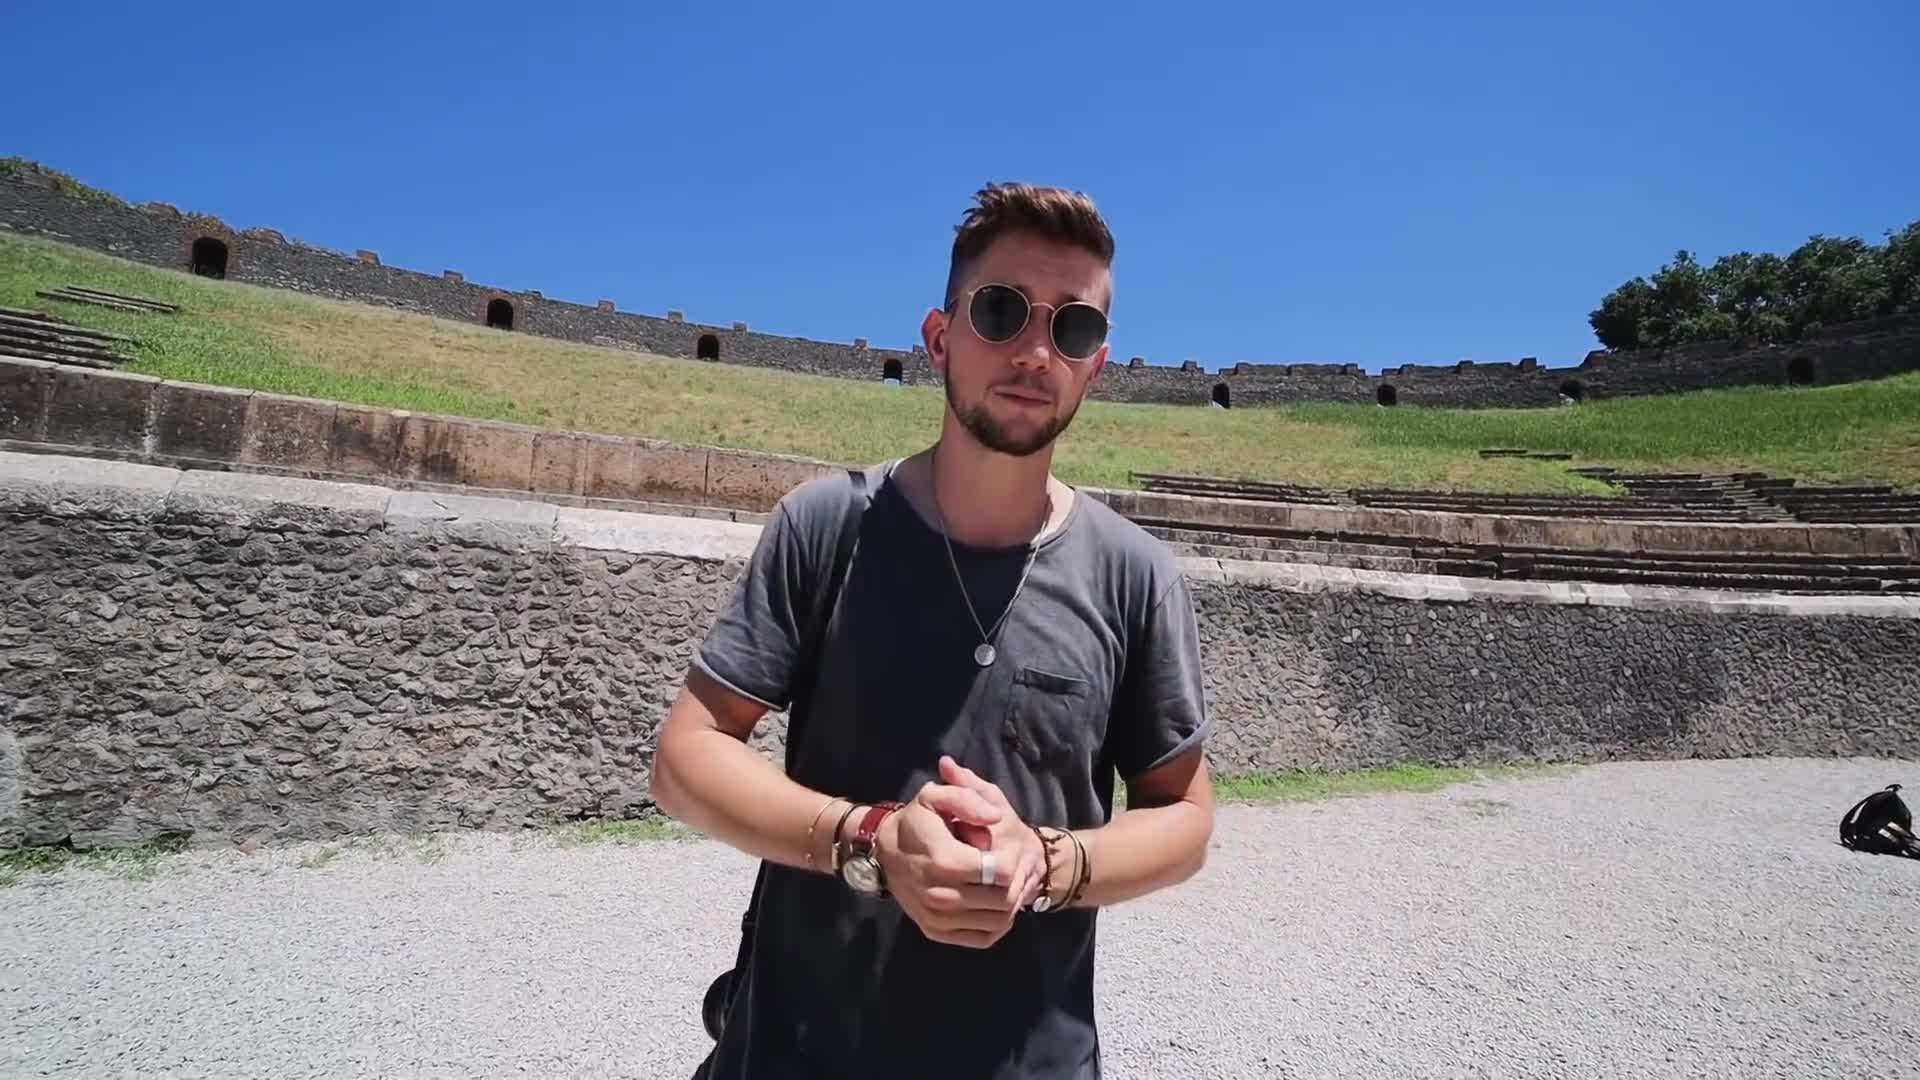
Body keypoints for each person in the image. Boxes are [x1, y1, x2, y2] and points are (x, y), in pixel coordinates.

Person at [650, 181, 1215, 1079]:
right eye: (1002, 311)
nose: (1035, 350)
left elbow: (1184, 813)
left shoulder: (1134, 575)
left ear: (1095, 366)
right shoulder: (826, 525)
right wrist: (869, 838)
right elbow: (685, 757)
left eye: (1072, 327)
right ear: (940, 336)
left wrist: (1051, 860)